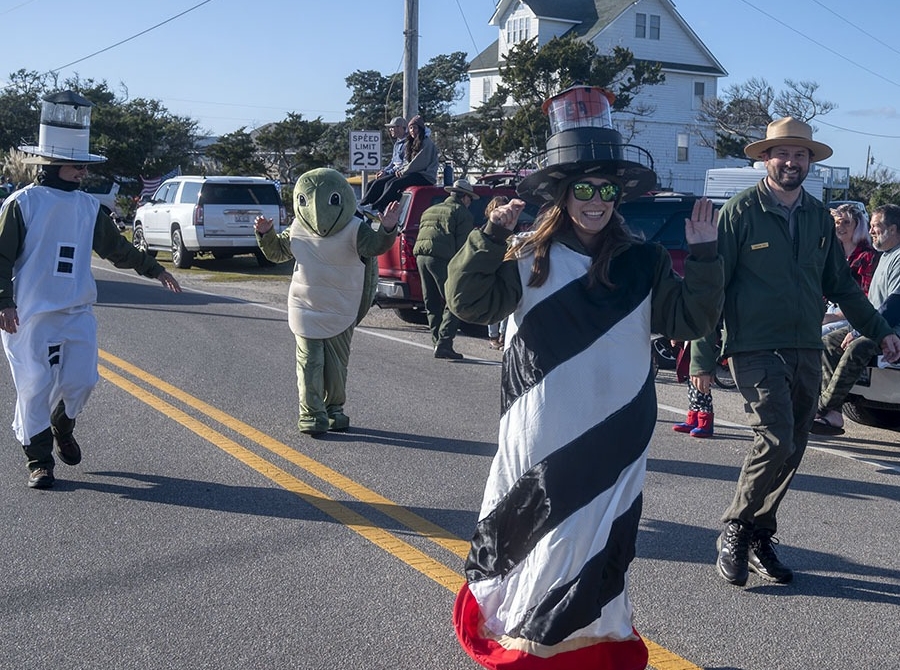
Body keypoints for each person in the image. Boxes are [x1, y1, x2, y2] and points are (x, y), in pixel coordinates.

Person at [447, 85, 724, 670]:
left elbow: (692, 320)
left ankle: (587, 652)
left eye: (606, 190)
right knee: (535, 542)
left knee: (599, 548)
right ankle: (522, 644)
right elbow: (469, 303)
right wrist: (489, 236)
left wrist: (702, 258)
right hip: (539, 433)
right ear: (563, 194)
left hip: (617, 432)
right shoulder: (528, 254)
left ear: (618, 197)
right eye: (584, 190)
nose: (595, 202)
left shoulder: (644, 261)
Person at [689, 117, 900, 587]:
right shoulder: (740, 212)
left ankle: (761, 534)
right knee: (776, 438)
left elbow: (841, 285)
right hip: (754, 346)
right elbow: (713, 285)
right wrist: (702, 356)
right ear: (766, 159)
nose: (791, 161)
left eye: (800, 154)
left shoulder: (816, 217)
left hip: (806, 345)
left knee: (796, 445)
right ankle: (737, 527)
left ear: (810, 162)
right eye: (782, 153)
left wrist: (880, 329)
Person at [0, 90, 181, 490]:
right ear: (53, 164)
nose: (83, 172)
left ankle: (62, 423)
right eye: (76, 165)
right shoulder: (22, 203)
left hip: (77, 311)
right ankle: (39, 461)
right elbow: (0, 257)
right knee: (34, 386)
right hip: (29, 314)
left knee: (83, 380)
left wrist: (154, 270)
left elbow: (116, 249)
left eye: (85, 165)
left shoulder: (87, 208)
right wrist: (3, 302)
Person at [254, 168, 399, 435]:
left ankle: (334, 409)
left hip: (342, 306)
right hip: (305, 305)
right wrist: (266, 236)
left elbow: (375, 246)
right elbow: (277, 253)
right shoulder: (297, 228)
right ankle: (311, 413)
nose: (318, 214)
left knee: (336, 365)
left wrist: (388, 228)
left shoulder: (356, 229)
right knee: (309, 362)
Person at [813, 204, 900, 435]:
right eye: (870, 226)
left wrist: (860, 332)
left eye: (876, 226)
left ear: (893, 229)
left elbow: (893, 306)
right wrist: (855, 326)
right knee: (828, 343)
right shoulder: (884, 256)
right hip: (875, 326)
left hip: (891, 330)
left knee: (857, 348)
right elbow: (870, 304)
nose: (871, 231)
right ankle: (833, 415)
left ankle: (821, 407)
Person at [413, 178, 478, 359]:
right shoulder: (462, 213)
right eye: (470, 199)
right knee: (454, 300)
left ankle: (436, 342)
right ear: (464, 197)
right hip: (442, 259)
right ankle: (444, 342)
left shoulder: (430, 209)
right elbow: (463, 246)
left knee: (431, 301)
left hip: (421, 257)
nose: (470, 203)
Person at [822, 203, 878, 334]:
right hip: (830, 311)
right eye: (837, 222)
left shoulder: (867, 256)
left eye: (846, 222)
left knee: (819, 336)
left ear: (858, 226)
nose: (840, 227)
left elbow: (867, 298)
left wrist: (833, 317)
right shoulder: (834, 254)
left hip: (853, 316)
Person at [368, 115, 438, 212]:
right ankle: (376, 207)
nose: (413, 130)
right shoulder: (412, 142)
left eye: (415, 127)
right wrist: (400, 170)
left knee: (395, 183)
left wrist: (403, 171)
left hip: (425, 176)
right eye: (411, 128)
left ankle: (377, 208)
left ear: (421, 129)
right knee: (387, 182)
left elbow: (418, 162)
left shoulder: (426, 142)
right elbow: (406, 160)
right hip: (414, 173)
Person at [358, 116, 407, 209]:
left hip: (399, 172)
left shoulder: (408, 143)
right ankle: (366, 207)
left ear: (400, 128)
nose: (390, 130)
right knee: (370, 184)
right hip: (392, 170)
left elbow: (403, 164)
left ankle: (371, 207)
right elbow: (393, 162)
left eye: (392, 127)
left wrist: (388, 172)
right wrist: (384, 170)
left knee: (380, 184)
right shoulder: (397, 143)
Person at [482, 195, 510, 350]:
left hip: (505, 266)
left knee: (506, 305)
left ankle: (503, 335)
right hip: (492, 268)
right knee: (494, 304)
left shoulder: (512, 227)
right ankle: (493, 336)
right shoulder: (487, 228)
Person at [672, 340, 715, 437]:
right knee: (691, 386)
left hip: (701, 349)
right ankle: (693, 419)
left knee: (702, 388)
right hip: (691, 346)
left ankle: (705, 423)